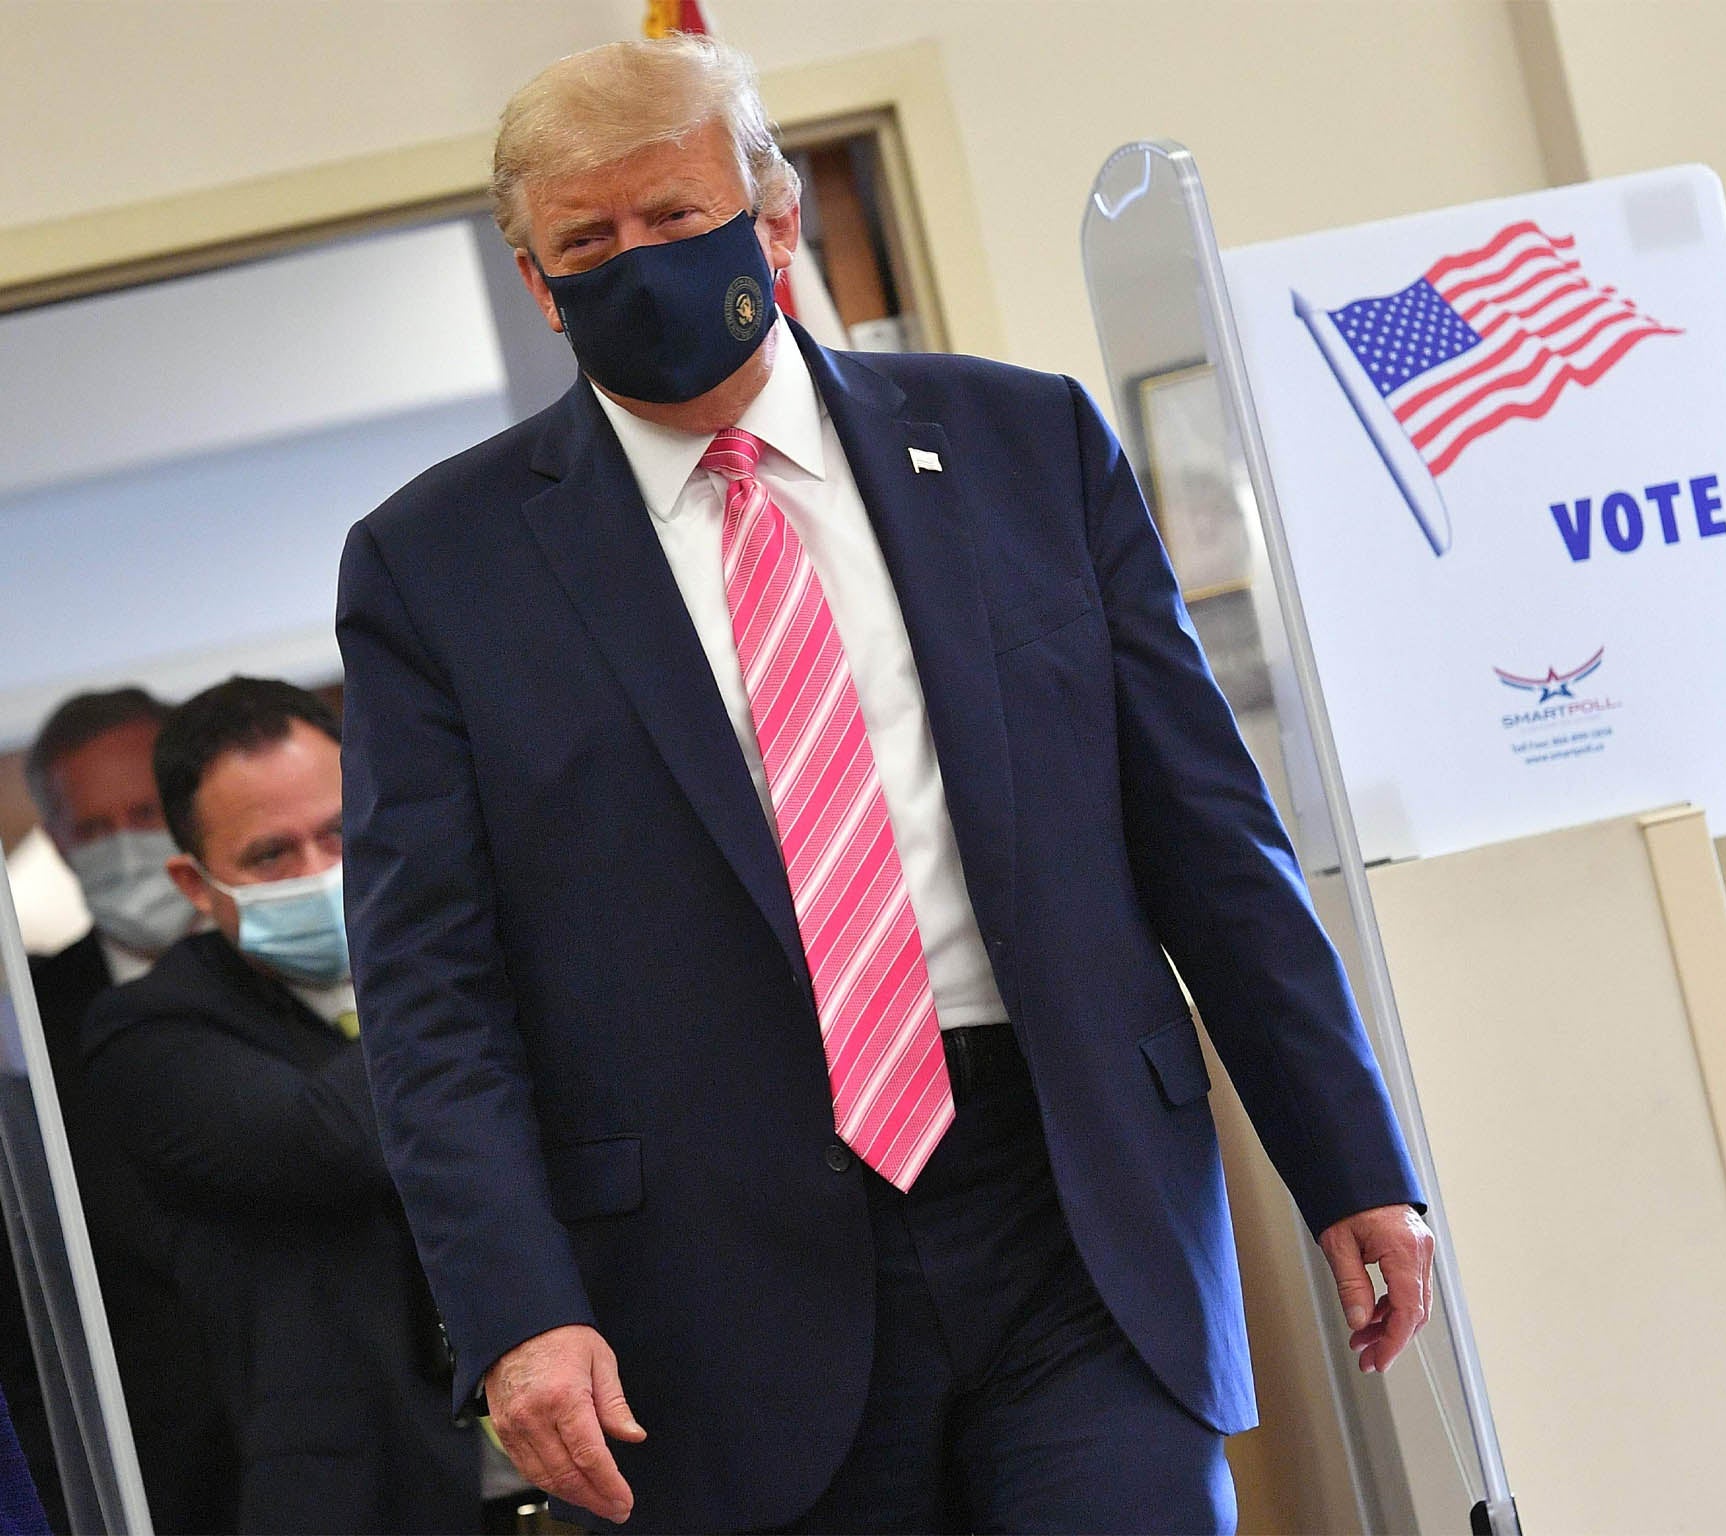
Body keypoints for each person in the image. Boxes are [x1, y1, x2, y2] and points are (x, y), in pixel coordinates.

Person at [338, 33, 1435, 1536]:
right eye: (584, 242)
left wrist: (1348, 1156)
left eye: (672, 216)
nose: (635, 262)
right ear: (536, 286)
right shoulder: (436, 566)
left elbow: (1208, 835)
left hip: (1074, 1204)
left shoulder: (1020, 442)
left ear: (773, 218)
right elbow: (429, 992)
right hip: (722, 1283)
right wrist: (517, 1310)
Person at [80, 679, 478, 1535]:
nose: (321, 872)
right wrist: (433, 939)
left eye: (341, 833)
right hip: (372, 1495)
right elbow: (340, 1140)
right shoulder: (147, 1035)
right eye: (271, 855)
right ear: (194, 882)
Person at [16, 689, 234, 1531]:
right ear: (59, 840)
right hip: (151, 1484)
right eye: (94, 828)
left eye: (144, 812)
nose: (125, 846)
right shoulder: (25, 1027)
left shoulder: (318, 956)